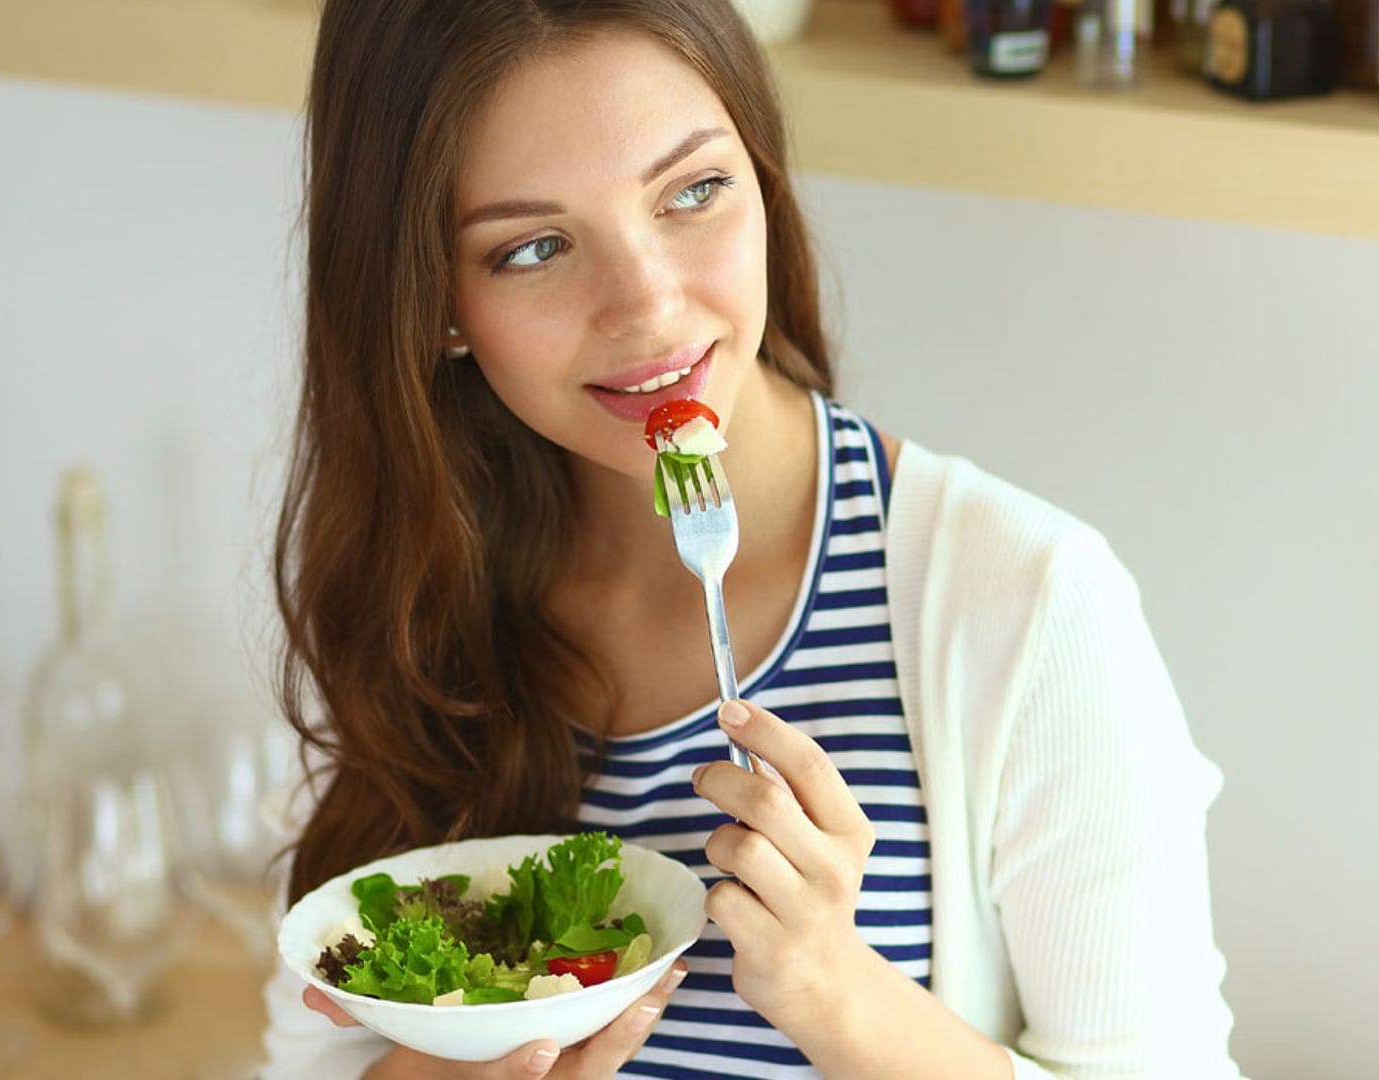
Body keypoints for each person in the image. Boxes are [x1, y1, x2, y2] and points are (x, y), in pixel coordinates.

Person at [259, 0, 1241, 1076]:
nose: (649, 308)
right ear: (430, 299)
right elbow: (311, 1054)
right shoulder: (416, 596)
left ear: (763, 178)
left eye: (693, 191)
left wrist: (836, 993)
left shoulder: (1029, 605)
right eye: (534, 247)